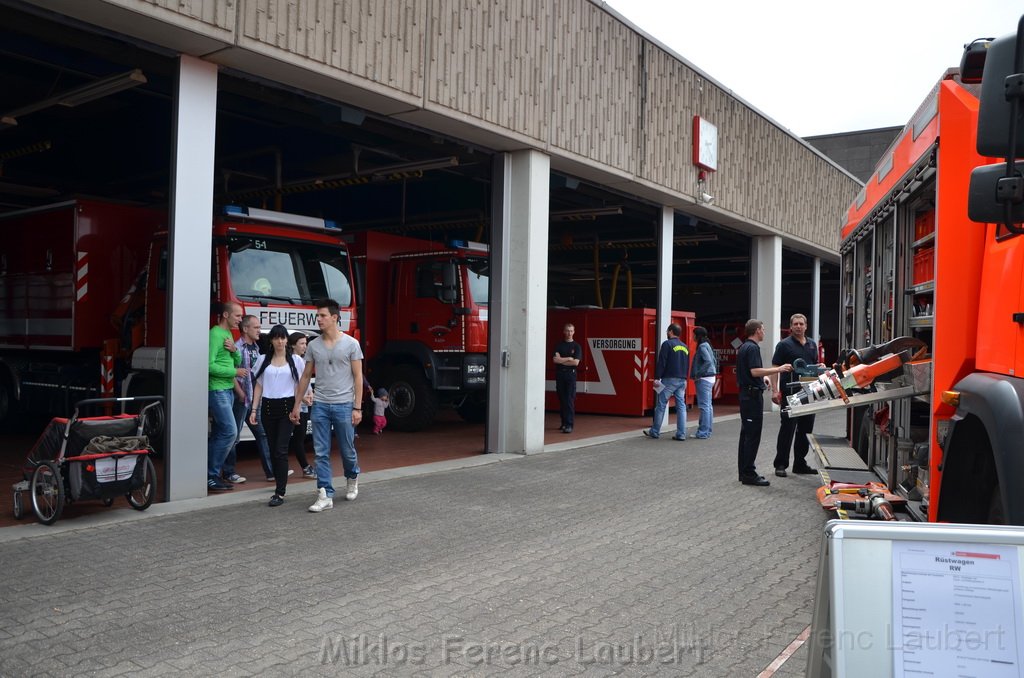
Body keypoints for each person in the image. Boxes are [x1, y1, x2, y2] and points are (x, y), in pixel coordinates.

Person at [290, 299, 364, 513]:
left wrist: (357, 407)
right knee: (321, 452)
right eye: (318, 315)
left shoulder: (351, 344)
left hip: (344, 405)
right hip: (320, 404)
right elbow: (305, 377)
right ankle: (325, 494)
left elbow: (358, 377)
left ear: (334, 317)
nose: (318, 319)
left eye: (322, 315)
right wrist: (297, 405)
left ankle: (352, 476)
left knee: (347, 450)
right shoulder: (313, 345)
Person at [250, 324, 305, 507]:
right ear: (271, 340)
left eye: (283, 337)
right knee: (273, 449)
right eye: (277, 338)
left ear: (287, 340)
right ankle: (278, 485)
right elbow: (259, 385)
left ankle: (279, 492)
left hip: (287, 406)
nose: (280, 341)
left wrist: (297, 407)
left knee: (281, 449)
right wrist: (254, 409)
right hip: (267, 407)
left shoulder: (295, 360)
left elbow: (301, 384)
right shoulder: (263, 359)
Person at [736, 319, 792, 487]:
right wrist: (778, 369)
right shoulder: (752, 348)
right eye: (763, 329)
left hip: (747, 395)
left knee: (746, 435)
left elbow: (751, 371)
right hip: (751, 398)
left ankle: (744, 472)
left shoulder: (745, 347)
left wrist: (764, 378)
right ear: (757, 331)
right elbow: (754, 371)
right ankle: (749, 473)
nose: (764, 332)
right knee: (752, 436)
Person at [226, 315, 276, 483]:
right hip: (241, 399)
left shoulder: (256, 347)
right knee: (234, 435)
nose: (259, 330)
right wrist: (240, 393)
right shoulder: (237, 347)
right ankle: (228, 472)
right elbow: (230, 371)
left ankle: (271, 472)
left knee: (262, 434)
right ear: (245, 329)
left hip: (253, 399)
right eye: (256, 327)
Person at [771, 313, 821, 477]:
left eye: (801, 324)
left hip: (809, 391)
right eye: (795, 324)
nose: (798, 326)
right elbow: (775, 368)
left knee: (806, 430)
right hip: (791, 392)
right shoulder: (784, 345)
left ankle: (800, 463)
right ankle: (780, 464)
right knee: (787, 429)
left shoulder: (813, 345)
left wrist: (820, 367)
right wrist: (774, 390)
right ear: (791, 327)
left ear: (806, 326)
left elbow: (815, 366)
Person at [207, 301, 246, 492]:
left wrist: (235, 351)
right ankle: (211, 475)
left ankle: (211, 474)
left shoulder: (228, 334)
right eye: (238, 316)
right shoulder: (215, 334)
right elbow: (208, 365)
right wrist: (234, 372)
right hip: (217, 390)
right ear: (225, 315)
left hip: (227, 390)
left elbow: (235, 359)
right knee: (230, 431)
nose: (240, 319)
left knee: (219, 433)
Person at [643, 323, 690, 441]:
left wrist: (657, 378)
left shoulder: (667, 344)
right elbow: (687, 364)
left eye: (667, 331)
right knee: (681, 406)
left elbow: (662, 362)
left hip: (669, 379)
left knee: (661, 405)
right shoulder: (685, 346)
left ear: (670, 332)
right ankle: (681, 434)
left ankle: (655, 431)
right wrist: (685, 378)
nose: (666, 333)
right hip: (682, 380)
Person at [287, 332, 316, 478]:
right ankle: (305, 467)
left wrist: (310, 394)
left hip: (302, 402)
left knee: (298, 437)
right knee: (298, 437)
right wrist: (304, 397)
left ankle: (305, 466)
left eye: (306, 343)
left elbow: (305, 381)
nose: (305, 346)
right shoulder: (294, 360)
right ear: (293, 345)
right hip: (297, 404)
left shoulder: (301, 360)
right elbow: (294, 382)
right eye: (302, 343)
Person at [552, 322, 582, 433]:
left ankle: (569, 425)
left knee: (569, 400)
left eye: (571, 331)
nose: (569, 333)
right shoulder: (559, 345)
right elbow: (555, 360)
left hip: (570, 375)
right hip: (560, 375)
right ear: (564, 332)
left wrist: (562, 360)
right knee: (562, 399)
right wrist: (569, 358)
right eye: (567, 330)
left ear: (574, 332)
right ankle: (563, 423)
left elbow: (576, 363)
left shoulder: (577, 346)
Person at [689, 326, 718, 439]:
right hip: (710, 378)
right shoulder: (708, 345)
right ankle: (707, 430)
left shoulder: (701, 346)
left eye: (694, 334)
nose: (693, 336)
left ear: (698, 335)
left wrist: (697, 374)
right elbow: (713, 361)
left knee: (704, 406)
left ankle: (703, 432)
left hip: (704, 379)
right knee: (708, 406)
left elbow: (708, 362)